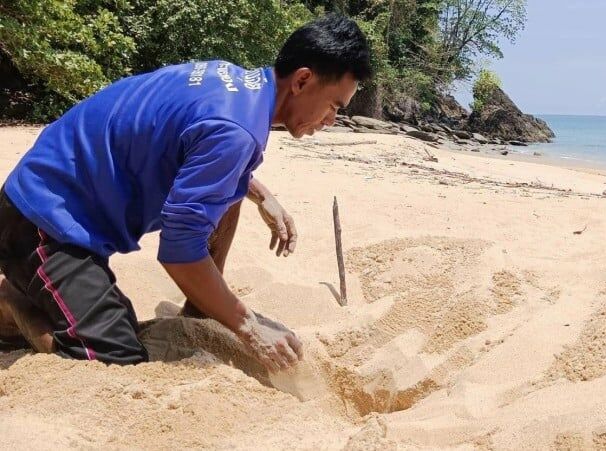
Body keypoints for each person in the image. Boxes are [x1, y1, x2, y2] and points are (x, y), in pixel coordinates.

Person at [0, 13, 372, 372]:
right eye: (333, 106)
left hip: (64, 196)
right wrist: (248, 326)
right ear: (303, 81)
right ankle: (11, 300)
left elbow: (192, 146)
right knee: (114, 357)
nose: (331, 120)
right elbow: (179, 251)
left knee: (226, 193)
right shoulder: (236, 131)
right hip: (39, 219)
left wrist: (261, 195)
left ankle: (201, 306)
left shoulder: (237, 85)